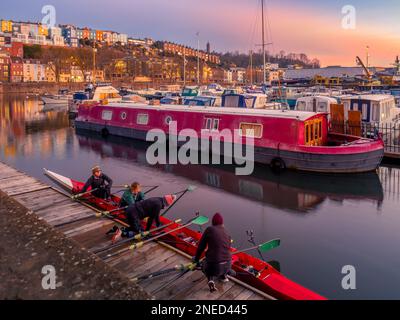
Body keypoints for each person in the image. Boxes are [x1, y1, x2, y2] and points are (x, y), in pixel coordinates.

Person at [111, 195, 177, 243]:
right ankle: (122, 233)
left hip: (130, 209)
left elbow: (154, 217)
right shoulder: (158, 205)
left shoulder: (157, 198)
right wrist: (147, 231)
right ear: (166, 203)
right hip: (134, 214)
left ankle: (120, 229)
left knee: (135, 227)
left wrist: (156, 224)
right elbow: (151, 219)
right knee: (140, 234)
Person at [193, 213, 232, 293]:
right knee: (219, 261)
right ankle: (224, 276)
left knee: (204, 263)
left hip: (214, 266)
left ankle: (210, 279)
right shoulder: (227, 232)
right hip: (228, 264)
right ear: (222, 223)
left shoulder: (210, 229)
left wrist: (196, 260)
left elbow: (201, 247)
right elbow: (227, 248)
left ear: (213, 222)